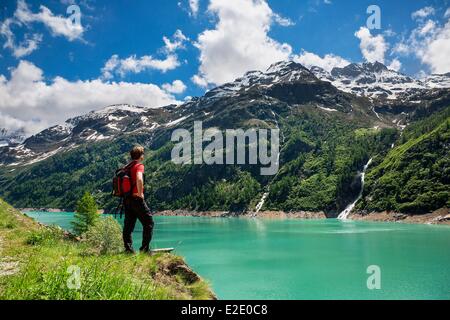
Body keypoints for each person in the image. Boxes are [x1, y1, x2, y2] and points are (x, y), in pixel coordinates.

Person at [123, 145, 154, 254]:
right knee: (148, 222)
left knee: (128, 226)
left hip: (127, 200)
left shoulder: (127, 166)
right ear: (141, 155)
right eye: (143, 153)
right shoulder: (138, 165)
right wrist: (140, 193)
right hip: (136, 199)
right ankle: (144, 250)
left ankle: (128, 250)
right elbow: (139, 178)